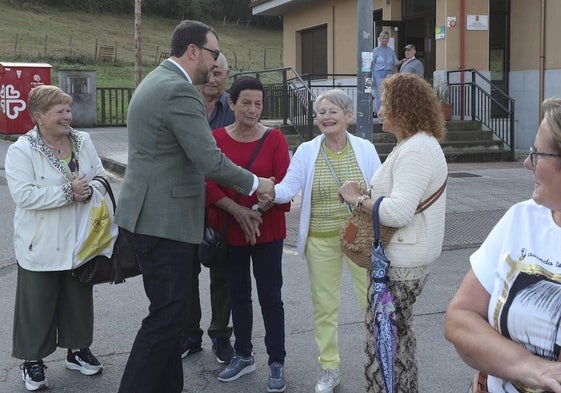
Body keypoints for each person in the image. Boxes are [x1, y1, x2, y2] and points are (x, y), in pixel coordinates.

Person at [114, 20, 274, 393]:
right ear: (193, 51)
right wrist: (257, 183)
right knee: (167, 317)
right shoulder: (179, 91)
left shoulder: (155, 81)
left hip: (150, 218)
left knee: (171, 317)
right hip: (163, 222)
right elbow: (209, 159)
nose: (215, 62)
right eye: (213, 53)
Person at [338, 73, 447, 393]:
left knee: (383, 343)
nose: (379, 109)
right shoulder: (416, 145)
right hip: (403, 261)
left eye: (385, 103)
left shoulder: (415, 150)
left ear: (404, 107)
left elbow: (398, 212)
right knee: (399, 340)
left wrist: (357, 199)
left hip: (399, 265)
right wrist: (368, 196)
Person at [445, 98, 561, 393]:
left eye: (537, 154)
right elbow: (460, 319)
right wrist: (532, 367)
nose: (526, 162)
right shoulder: (521, 218)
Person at [272, 89, 381, 393]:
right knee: (325, 307)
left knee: (372, 301)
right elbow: (287, 189)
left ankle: (382, 360)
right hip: (320, 240)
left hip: (360, 238)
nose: (326, 117)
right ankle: (329, 368)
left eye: (333, 111)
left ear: (348, 116)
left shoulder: (365, 148)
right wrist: (262, 189)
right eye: (321, 112)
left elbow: (382, 188)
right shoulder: (307, 151)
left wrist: (361, 197)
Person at [5, 85, 105, 391]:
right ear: (39, 116)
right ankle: (32, 360)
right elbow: (23, 196)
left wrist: (90, 189)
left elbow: (100, 175)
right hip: (41, 241)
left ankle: (77, 351)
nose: (67, 116)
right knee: (37, 304)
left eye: (68, 110)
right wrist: (67, 192)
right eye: (59, 111)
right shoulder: (22, 150)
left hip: (79, 239)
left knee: (77, 299)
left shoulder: (83, 140)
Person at [206, 76, 290, 392]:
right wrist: (238, 212)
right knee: (237, 294)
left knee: (271, 296)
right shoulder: (215, 138)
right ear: (231, 104)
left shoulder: (275, 139)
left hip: (266, 230)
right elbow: (209, 182)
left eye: (258, 104)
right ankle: (243, 354)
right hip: (231, 229)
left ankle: (277, 360)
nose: (252, 110)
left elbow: (282, 184)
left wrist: (255, 213)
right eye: (246, 103)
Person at [181, 52, 236, 363]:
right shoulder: (185, 103)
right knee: (185, 271)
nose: (213, 79)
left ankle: (220, 335)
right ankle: (189, 334)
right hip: (185, 202)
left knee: (222, 272)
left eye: (219, 73)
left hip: (221, 204)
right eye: (210, 72)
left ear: (227, 77)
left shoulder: (233, 108)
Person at [372, 30, 399, 117]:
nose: (385, 39)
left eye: (386, 38)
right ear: (380, 39)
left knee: (388, 96)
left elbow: (396, 62)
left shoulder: (391, 51)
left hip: (389, 74)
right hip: (378, 74)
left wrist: (405, 60)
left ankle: (388, 117)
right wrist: (371, 77)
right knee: (379, 96)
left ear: (388, 40)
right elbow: (371, 64)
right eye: (383, 38)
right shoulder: (375, 51)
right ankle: (380, 118)